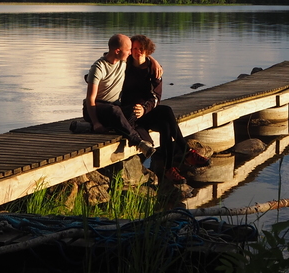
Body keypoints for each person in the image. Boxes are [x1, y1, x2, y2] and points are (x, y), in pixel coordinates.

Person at [121, 34, 209, 181]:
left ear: (147, 50)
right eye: (134, 48)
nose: (138, 52)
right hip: (130, 113)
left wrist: (145, 109)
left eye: (141, 48)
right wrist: (152, 59)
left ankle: (169, 168)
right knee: (167, 113)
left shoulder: (154, 70)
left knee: (165, 124)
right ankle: (186, 153)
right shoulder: (125, 64)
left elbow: (156, 97)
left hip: (146, 111)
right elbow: (110, 55)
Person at [77, 33, 155, 157]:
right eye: (128, 50)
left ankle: (89, 127)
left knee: (133, 110)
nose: (130, 53)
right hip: (95, 108)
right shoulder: (98, 68)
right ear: (117, 51)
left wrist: (153, 62)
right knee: (114, 111)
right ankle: (138, 142)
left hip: (114, 108)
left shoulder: (123, 62)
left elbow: (141, 57)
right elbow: (90, 99)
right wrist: (96, 122)